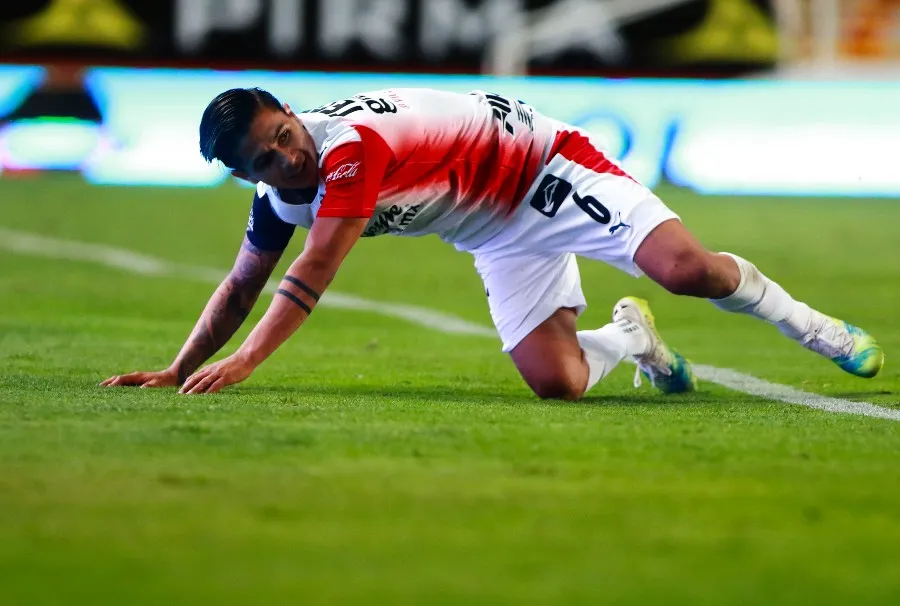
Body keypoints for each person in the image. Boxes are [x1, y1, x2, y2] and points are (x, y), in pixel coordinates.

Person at [101, 87, 883, 398]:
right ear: (247, 176)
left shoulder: (350, 149)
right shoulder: (280, 198)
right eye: (265, 159)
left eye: (283, 134)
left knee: (686, 269)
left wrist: (244, 363)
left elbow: (311, 274)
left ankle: (814, 327)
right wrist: (179, 368)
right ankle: (632, 339)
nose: (286, 156)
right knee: (560, 384)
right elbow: (241, 283)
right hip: (488, 228)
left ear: (291, 114)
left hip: (540, 167)